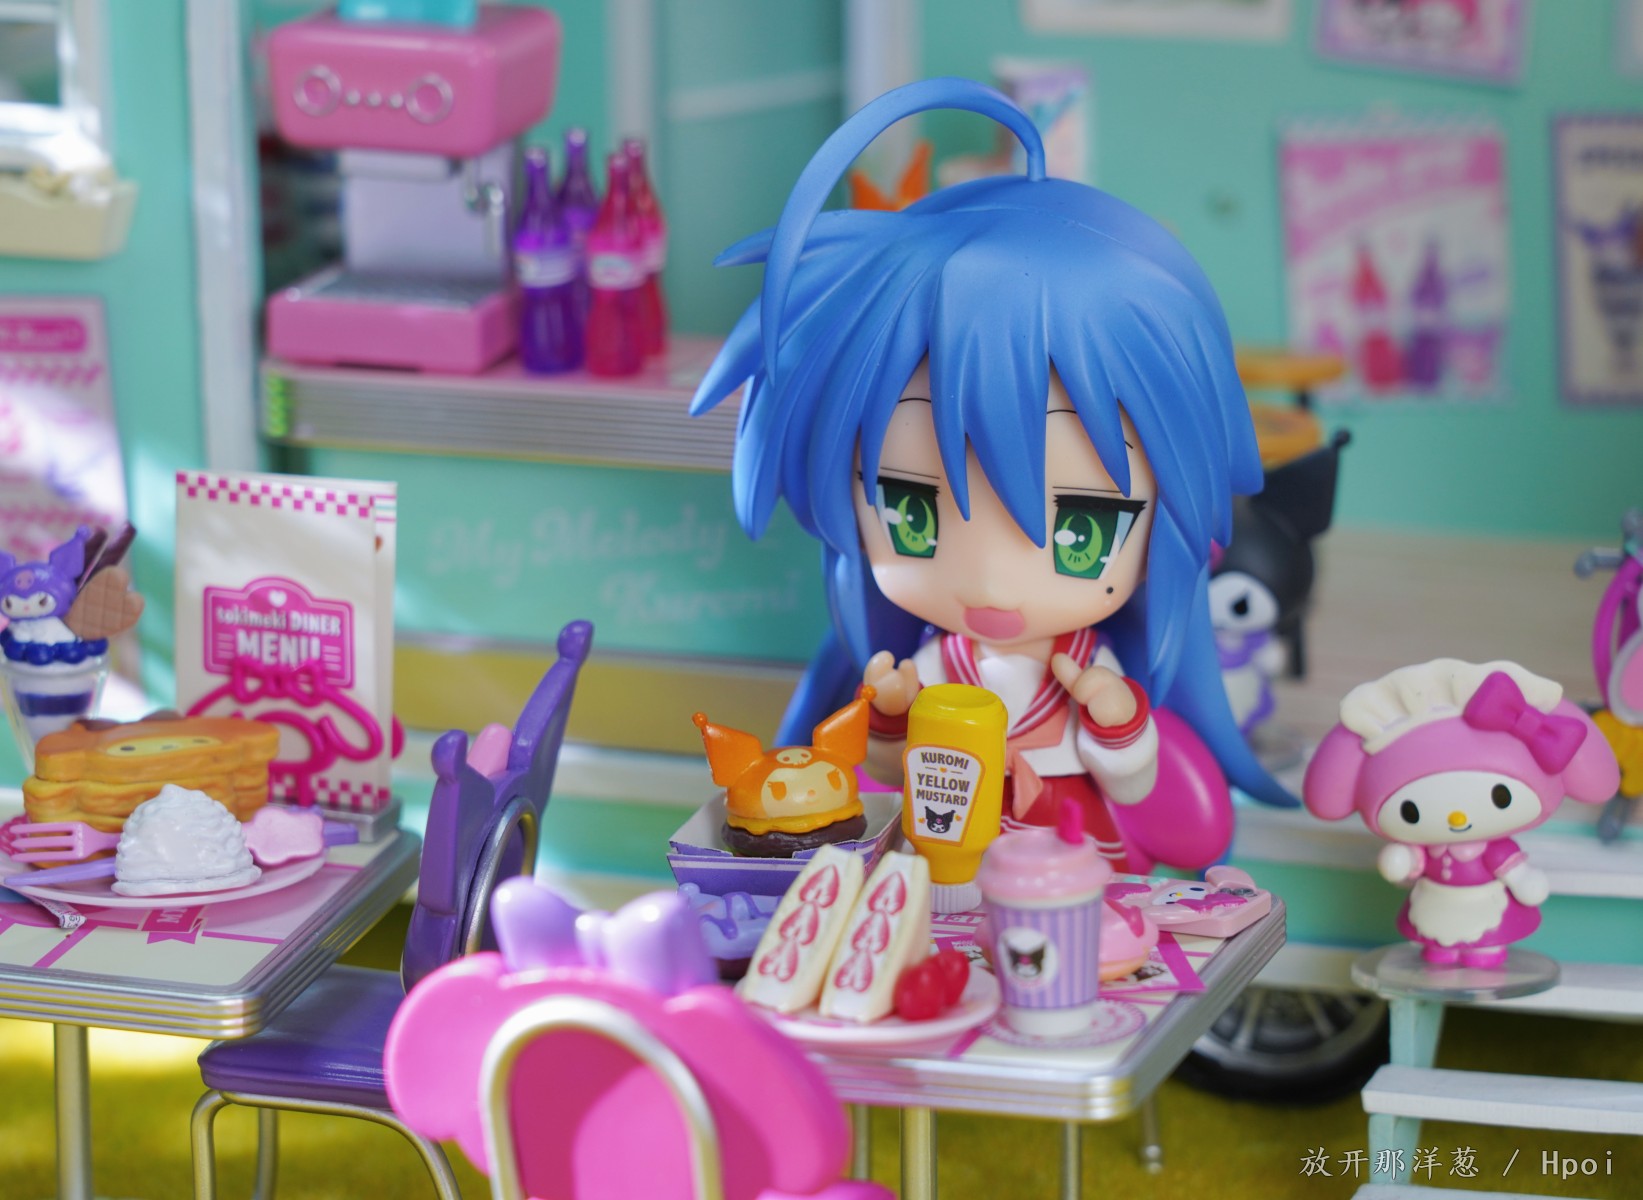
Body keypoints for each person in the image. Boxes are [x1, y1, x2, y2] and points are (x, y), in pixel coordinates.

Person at [691, 78, 1290, 873]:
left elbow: (1136, 780)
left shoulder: (1084, 666)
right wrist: (889, 717)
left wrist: (1112, 717)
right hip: (947, 862)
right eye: (911, 515)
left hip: (1072, 858)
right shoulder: (939, 666)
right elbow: (882, 770)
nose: (989, 583)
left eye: (1079, 531)